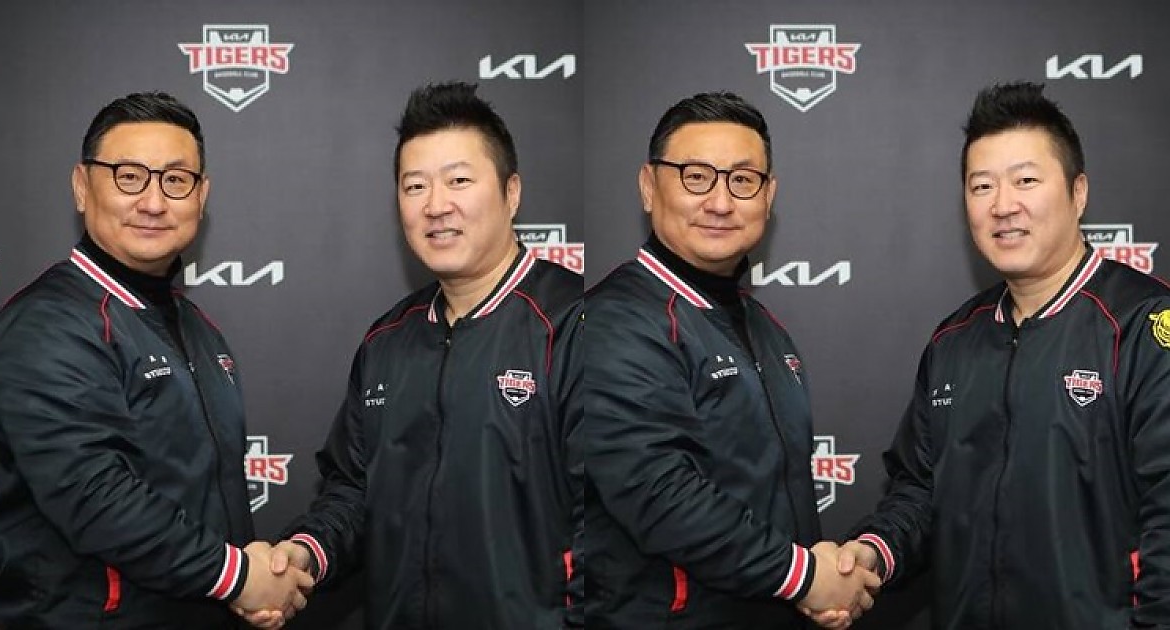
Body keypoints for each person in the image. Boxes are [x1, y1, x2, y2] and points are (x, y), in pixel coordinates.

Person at [826, 81, 1170, 629]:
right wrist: (871, 554)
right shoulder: (954, 340)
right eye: (982, 186)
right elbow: (920, 492)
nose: (1003, 205)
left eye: (1026, 180)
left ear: (1078, 192)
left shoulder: (1141, 326)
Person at [248, 82, 583, 629]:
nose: (436, 205)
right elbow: (353, 492)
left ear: (512, 192)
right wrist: (303, 554)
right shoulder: (387, 341)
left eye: (459, 180)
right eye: (415, 186)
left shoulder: (576, 324)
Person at [0, 91, 312, 628]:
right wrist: (237, 577)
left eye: (176, 180)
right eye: (129, 176)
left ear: (202, 196)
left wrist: (250, 584)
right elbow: (92, 495)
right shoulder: (45, 324)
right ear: (82, 186)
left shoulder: (197, 327)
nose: (154, 202)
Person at [583, 91, 879, 630]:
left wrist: (820, 580)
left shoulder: (764, 326)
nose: (721, 202)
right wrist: (804, 576)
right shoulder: (615, 320)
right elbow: (657, 491)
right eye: (696, 176)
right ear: (649, 186)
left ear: (769, 195)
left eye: (743, 180)